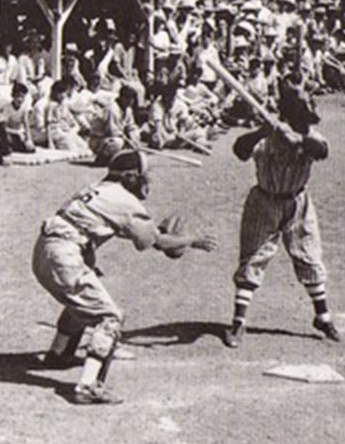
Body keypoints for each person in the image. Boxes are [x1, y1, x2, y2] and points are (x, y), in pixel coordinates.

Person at [31, 150, 217, 404]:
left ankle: (58, 353)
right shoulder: (124, 200)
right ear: (130, 177)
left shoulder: (97, 188)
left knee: (82, 301)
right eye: (142, 176)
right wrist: (192, 240)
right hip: (63, 255)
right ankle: (87, 386)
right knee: (110, 316)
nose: (146, 181)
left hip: (46, 250)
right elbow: (155, 242)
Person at [222, 83, 339, 348]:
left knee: (309, 255)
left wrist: (296, 139)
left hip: (298, 203)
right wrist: (263, 131)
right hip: (264, 202)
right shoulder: (266, 136)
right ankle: (238, 322)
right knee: (253, 258)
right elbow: (239, 150)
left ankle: (322, 316)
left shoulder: (312, 136)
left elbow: (321, 151)